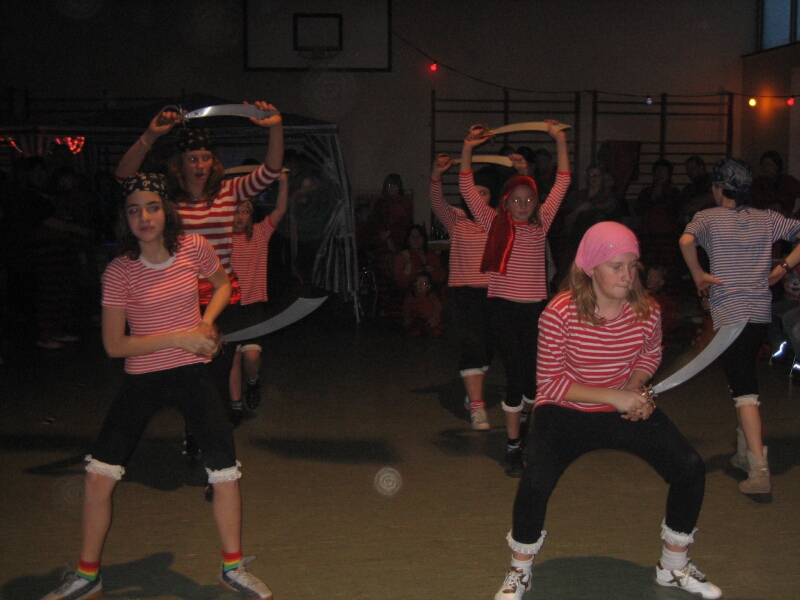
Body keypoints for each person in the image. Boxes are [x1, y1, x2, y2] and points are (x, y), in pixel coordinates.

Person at [40, 173, 273, 600]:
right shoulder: (120, 271)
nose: (144, 217)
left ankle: (232, 568)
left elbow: (222, 285)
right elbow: (114, 345)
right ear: (124, 218)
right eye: (134, 210)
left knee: (224, 473)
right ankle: (88, 576)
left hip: (191, 375)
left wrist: (206, 324)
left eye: (152, 207)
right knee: (97, 478)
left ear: (166, 211)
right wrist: (180, 337)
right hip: (142, 378)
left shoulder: (194, 248)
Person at [494, 221, 721, 600]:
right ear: (590, 268)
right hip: (564, 408)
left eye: (632, 266)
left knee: (689, 467)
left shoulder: (646, 310)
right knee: (536, 480)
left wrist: (635, 387)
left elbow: (649, 355)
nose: (627, 275)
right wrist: (616, 397)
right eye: (616, 266)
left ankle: (673, 565)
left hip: (621, 403)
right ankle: (520, 570)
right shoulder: (559, 312)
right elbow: (549, 383)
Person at [115, 101, 284, 427]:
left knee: (218, 367)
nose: (200, 164)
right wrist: (150, 135)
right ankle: (197, 431)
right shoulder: (168, 198)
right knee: (190, 369)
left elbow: (271, 171)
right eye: (193, 158)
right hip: (183, 296)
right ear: (180, 162)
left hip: (222, 295)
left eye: (206, 158)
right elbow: (124, 176)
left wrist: (275, 127)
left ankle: (211, 431)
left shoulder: (230, 191)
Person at [680, 157, 800, 503]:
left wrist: (698, 275)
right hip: (758, 314)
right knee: (740, 380)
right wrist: (783, 266)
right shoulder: (767, 218)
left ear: (719, 189)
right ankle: (744, 452)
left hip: (730, 314)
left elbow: (686, 242)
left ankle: (759, 469)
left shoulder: (707, 218)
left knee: (744, 390)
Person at [460, 120, 570, 477]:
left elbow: (563, 181)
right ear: (505, 203)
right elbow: (466, 187)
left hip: (535, 311)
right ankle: (512, 448)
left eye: (529, 200)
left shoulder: (541, 223)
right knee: (516, 378)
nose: (523, 205)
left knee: (534, 383)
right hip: (503, 310)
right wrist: (468, 148)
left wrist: (559, 140)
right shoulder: (495, 222)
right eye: (516, 200)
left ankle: (523, 430)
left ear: (536, 203)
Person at [429, 155, 503, 430]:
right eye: (475, 192)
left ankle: (474, 395)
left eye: (484, 193)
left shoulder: (497, 221)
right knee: (472, 347)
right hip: (464, 296)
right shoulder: (457, 219)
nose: (479, 198)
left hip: (493, 295)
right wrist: (437, 174)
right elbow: (437, 202)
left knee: (486, 350)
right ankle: (477, 406)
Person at [229, 172, 288, 412]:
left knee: (251, 357)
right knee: (233, 358)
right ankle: (235, 406)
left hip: (252, 307)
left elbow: (280, 209)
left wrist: (282, 181)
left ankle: (253, 383)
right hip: (228, 307)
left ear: (251, 214)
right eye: (236, 211)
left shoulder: (260, 233)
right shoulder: (220, 238)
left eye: (245, 211)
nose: (240, 216)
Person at [393, 224, 447, 292]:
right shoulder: (403, 256)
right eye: (412, 236)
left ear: (424, 239)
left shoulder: (430, 254)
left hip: (430, 293)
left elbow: (441, 278)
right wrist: (408, 264)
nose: (415, 239)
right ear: (408, 239)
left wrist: (426, 264)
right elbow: (401, 284)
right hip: (410, 293)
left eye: (419, 236)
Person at [749, 150, 800, 217]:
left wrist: (796, 215)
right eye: (763, 165)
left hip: (784, 219)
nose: (765, 167)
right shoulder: (757, 183)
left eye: (769, 164)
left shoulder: (788, 181)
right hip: (762, 219)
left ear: (777, 166)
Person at [402, 270, 444, 338]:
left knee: (435, 332)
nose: (420, 285)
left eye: (424, 283)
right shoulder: (411, 295)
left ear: (428, 286)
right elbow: (406, 307)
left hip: (428, 320)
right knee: (412, 332)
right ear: (415, 284)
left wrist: (434, 318)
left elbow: (437, 308)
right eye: (418, 282)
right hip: (415, 320)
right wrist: (407, 318)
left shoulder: (432, 296)